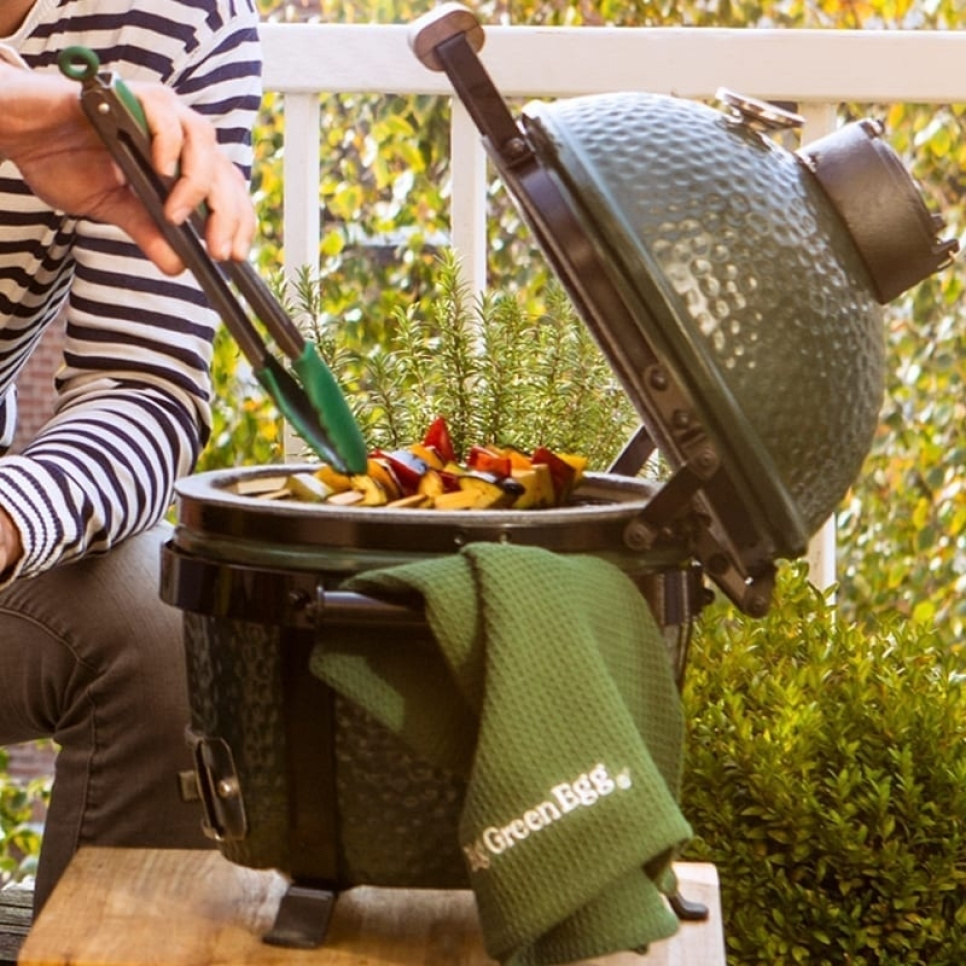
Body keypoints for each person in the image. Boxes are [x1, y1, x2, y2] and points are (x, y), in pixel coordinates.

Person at [0, 0, 262, 911]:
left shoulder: (175, 25)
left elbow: (140, 383)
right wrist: (31, 109)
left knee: (162, 623)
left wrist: (9, 515)